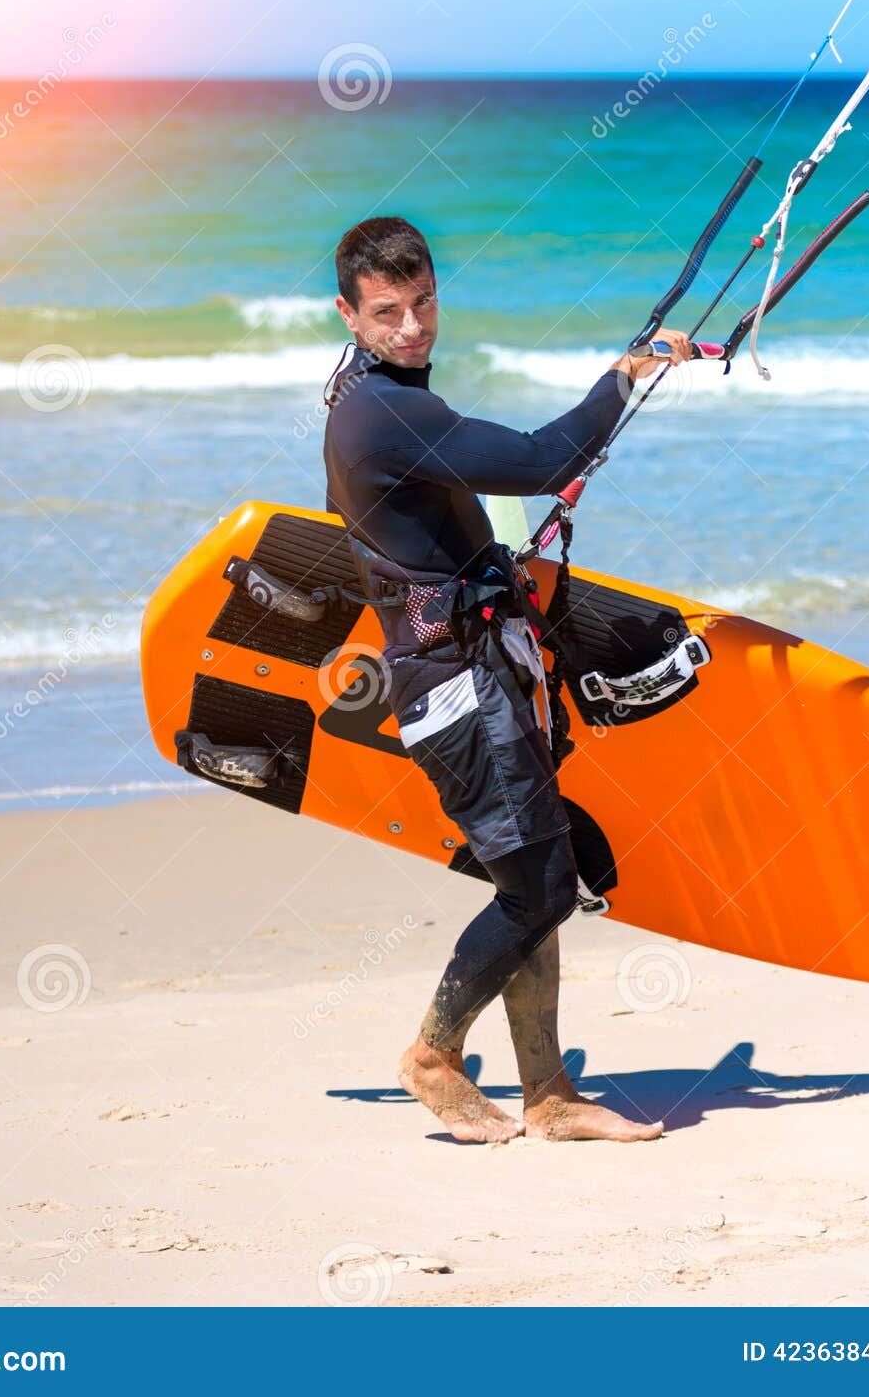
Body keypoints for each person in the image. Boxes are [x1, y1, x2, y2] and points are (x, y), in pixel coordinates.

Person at [323, 215, 691, 1144]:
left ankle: (549, 1095)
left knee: (539, 875)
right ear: (349, 314)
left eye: (422, 303)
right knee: (539, 887)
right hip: (454, 690)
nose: (411, 327)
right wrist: (626, 377)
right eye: (386, 313)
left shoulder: (368, 388)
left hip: (480, 667)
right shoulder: (383, 413)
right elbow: (539, 463)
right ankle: (432, 1054)